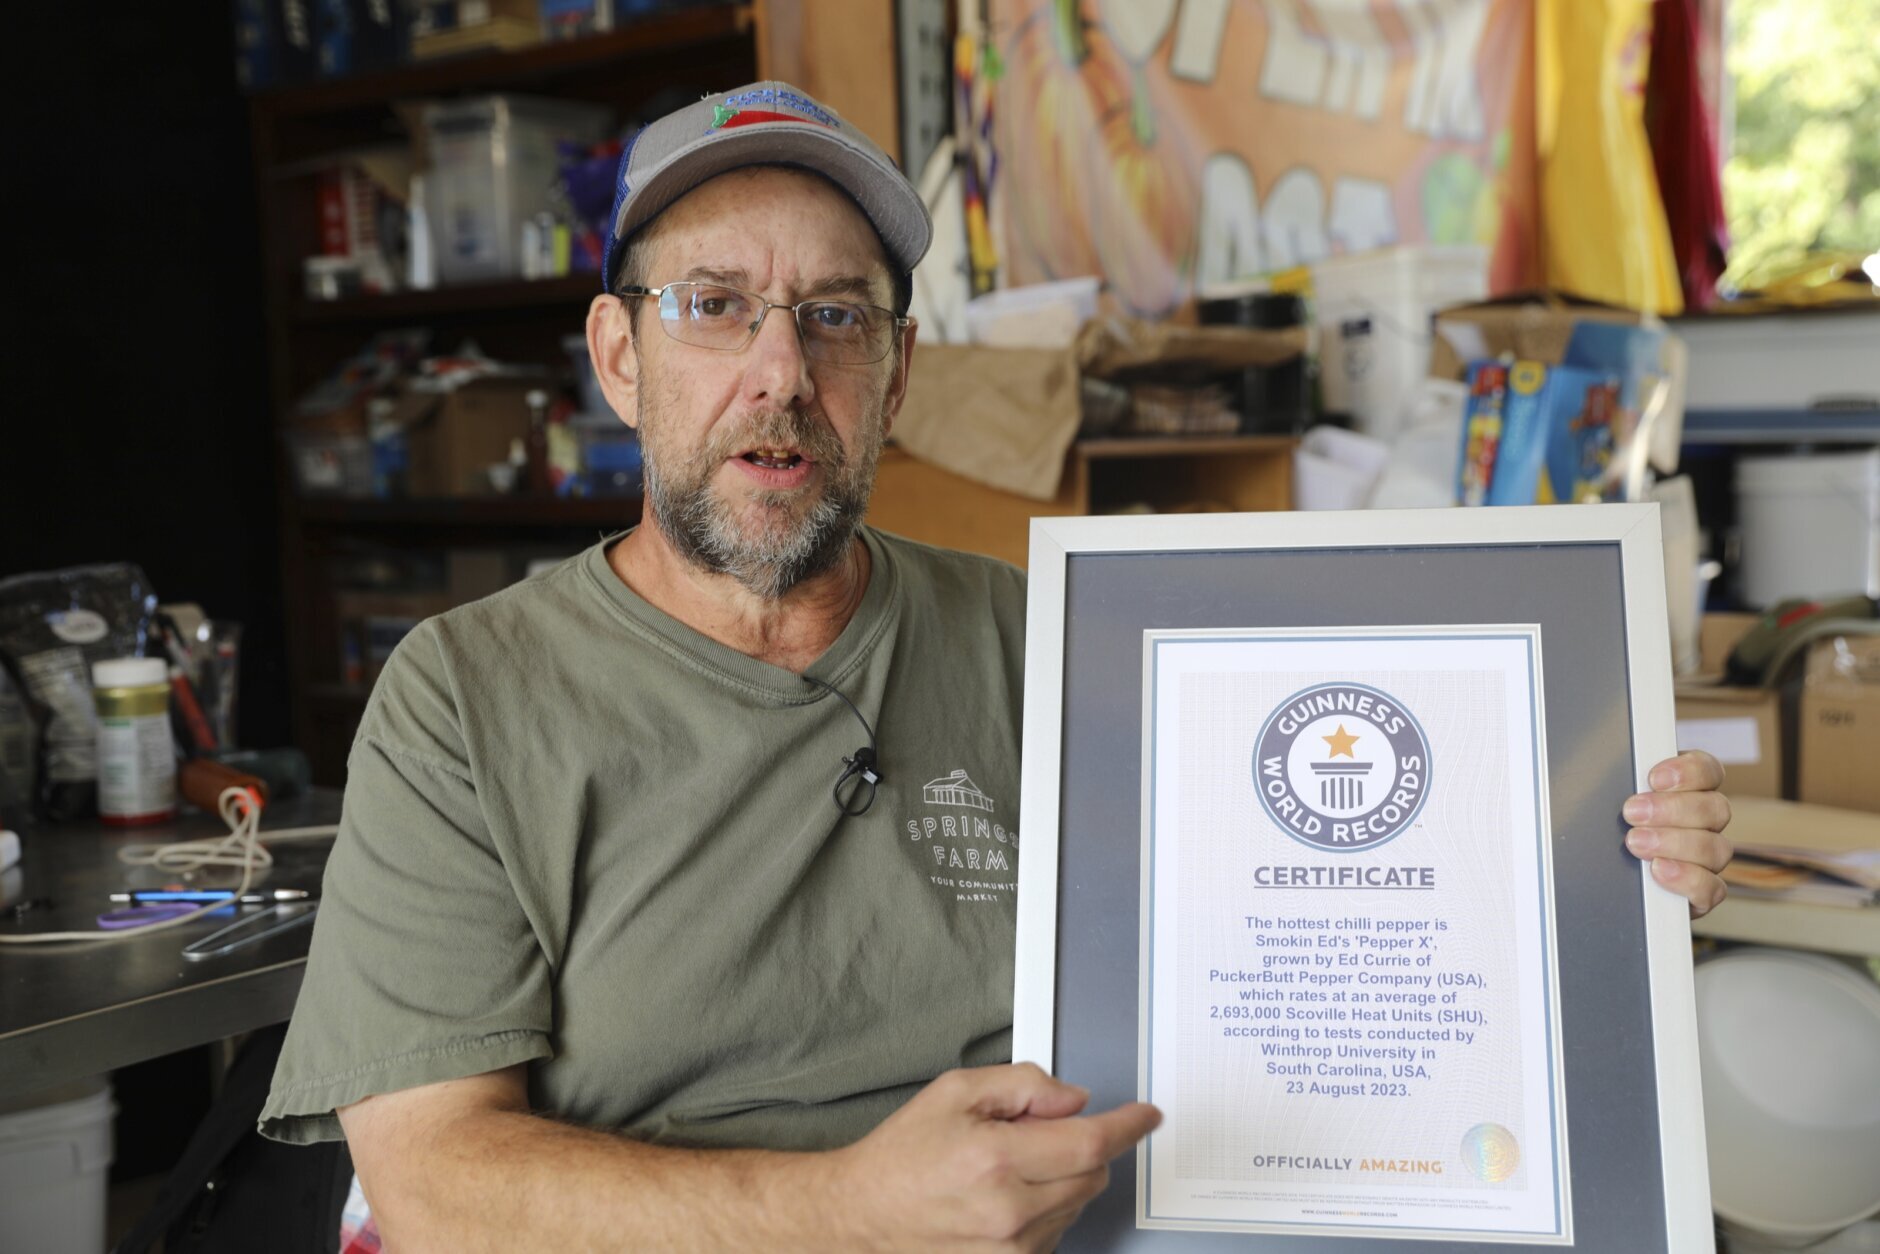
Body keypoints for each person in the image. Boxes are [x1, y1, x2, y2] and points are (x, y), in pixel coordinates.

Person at [261, 82, 1735, 1252]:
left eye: (836, 316)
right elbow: (436, 1184)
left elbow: (1333, 870)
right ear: (617, 356)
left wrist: (1592, 860)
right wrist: (855, 1212)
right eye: (712, 305)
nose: (782, 372)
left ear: (897, 374)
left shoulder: (1062, 641)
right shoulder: (466, 697)